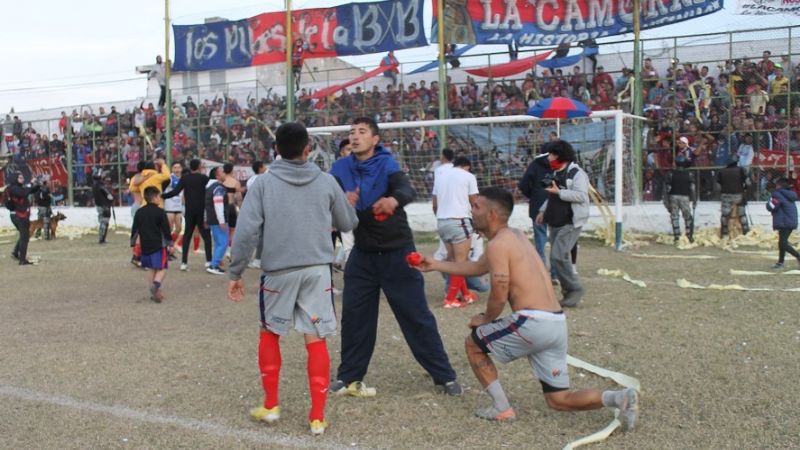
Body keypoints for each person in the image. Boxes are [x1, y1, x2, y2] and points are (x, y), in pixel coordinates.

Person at [412, 187, 640, 428]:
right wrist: (435, 264)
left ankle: (502, 409)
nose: (471, 210)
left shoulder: (498, 244)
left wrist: (486, 319)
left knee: (473, 344)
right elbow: (478, 268)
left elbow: (499, 291)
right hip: (555, 324)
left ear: (491, 214)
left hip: (532, 322)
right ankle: (620, 397)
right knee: (558, 399)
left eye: (476, 206)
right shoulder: (515, 236)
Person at [227, 122, 358, 436]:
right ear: (307, 148)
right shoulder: (326, 182)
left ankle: (271, 405)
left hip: (278, 271)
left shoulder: (262, 184)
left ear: (275, 151)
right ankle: (317, 417)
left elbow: (245, 233)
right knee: (315, 338)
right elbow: (348, 221)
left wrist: (236, 272)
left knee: (271, 332)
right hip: (317, 270)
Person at [329, 117, 462, 396]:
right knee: (354, 317)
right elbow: (326, 203)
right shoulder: (340, 169)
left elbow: (406, 189)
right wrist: (342, 202)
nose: (354, 136)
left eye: (362, 131)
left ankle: (444, 375)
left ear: (375, 139)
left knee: (415, 316)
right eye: (351, 131)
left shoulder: (386, 164)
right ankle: (349, 376)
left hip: (397, 252)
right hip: (363, 255)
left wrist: (393, 200)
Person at [535, 140, 589, 308]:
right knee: (558, 257)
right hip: (555, 220)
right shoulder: (554, 172)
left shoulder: (576, 173)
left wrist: (559, 192)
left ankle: (575, 289)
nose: (549, 157)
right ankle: (568, 293)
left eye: (552, 154)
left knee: (558, 255)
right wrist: (543, 211)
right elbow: (551, 196)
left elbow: (581, 196)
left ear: (561, 155)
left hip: (570, 221)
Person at [432, 155, 479, 308]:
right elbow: (475, 202)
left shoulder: (440, 177)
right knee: (461, 262)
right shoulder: (468, 176)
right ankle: (450, 299)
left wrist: (441, 218)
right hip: (460, 221)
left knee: (454, 261)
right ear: (467, 166)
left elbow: (434, 204)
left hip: (442, 221)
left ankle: (465, 295)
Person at [162, 159, 213, 271]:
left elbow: (175, 192)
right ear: (199, 166)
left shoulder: (185, 178)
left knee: (187, 236)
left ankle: (184, 263)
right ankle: (209, 261)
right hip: (201, 211)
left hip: (189, 211)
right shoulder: (204, 178)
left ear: (190, 167)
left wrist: (162, 196)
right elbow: (212, 187)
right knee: (206, 236)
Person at [519, 142, 557, 281]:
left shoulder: (535, 164)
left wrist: (533, 194)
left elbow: (523, 184)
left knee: (540, 240)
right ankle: (555, 274)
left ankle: (541, 274)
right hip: (556, 204)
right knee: (555, 241)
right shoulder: (559, 164)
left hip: (537, 205)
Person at [130, 186, 173, 303]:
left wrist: (133, 243)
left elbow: (135, 229)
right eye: (159, 196)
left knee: (151, 268)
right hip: (159, 245)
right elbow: (165, 229)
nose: (160, 199)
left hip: (145, 245)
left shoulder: (139, 212)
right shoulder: (160, 212)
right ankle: (156, 284)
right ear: (154, 197)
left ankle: (154, 292)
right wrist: (170, 243)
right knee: (163, 267)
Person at [7, 172, 40, 265]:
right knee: (25, 236)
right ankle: (22, 259)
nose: (22, 179)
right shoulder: (14, 188)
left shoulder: (19, 188)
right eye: (20, 178)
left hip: (21, 215)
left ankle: (16, 253)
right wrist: (30, 184)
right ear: (15, 179)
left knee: (24, 235)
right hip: (18, 215)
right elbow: (24, 192)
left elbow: (30, 190)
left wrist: (37, 184)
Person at [766, 177, 799, 270]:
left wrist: (768, 202)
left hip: (784, 222)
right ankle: (780, 262)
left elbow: (772, 207)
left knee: (783, 243)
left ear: (779, 185)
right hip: (790, 221)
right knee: (782, 243)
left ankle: (798, 256)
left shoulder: (777, 194)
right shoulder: (790, 194)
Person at [663, 155, 696, 243]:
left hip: (673, 196)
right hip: (685, 197)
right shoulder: (689, 174)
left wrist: (666, 201)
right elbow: (693, 188)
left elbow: (667, 188)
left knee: (674, 216)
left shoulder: (671, 173)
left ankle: (677, 236)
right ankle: (689, 235)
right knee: (687, 216)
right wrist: (694, 200)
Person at [716, 156, 751, 238]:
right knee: (742, 214)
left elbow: (718, 186)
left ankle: (724, 234)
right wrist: (745, 189)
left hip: (725, 195)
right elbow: (748, 183)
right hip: (739, 194)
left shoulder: (721, 171)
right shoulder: (741, 170)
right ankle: (746, 233)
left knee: (725, 215)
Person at [205, 167, 228, 275]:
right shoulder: (219, 188)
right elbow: (218, 205)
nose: (225, 173)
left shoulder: (211, 187)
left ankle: (215, 264)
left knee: (219, 243)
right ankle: (214, 265)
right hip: (218, 220)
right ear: (217, 176)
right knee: (222, 242)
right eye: (222, 172)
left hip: (213, 219)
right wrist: (222, 220)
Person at [245, 160, 267, 269]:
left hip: (253, 209)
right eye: (264, 166)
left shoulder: (250, 180)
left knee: (253, 235)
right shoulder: (263, 179)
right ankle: (258, 259)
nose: (265, 167)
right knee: (261, 236)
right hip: (262, 210)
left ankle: (248, 259)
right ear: (260, 168)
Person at [163, 162, 184, 254]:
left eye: (179, 167)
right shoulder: (169, 178)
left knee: (179, 228)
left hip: (178, 207)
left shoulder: (183, 179)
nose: (177, 169)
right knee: (170, 228)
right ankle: (167, 247)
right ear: (172, 169)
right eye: (175, 167)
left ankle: (171, 245)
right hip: (169, 207)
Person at [92, 170, 114, 244]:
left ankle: (102, 238)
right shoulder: (101, 186)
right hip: (104, 206)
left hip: (99, 206)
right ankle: (102, 239)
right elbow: (109, 196)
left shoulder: (94, 185)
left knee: (102, 222)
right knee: (104, 222)